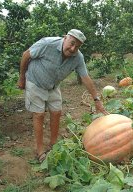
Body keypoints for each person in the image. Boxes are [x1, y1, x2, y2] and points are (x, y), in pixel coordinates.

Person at [17, 29, 109, 162]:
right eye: (71, 43)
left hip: (53, 85)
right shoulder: (47, 44)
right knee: (39, 115)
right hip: (35, 82)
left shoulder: (78, 57)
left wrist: (96, 99)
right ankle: (39, 150)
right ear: (65, 38)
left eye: (77, 46)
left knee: (56, 112)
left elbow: (85, 77)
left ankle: (54, 144)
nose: (72, 48)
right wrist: (21, 77)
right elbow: (26, 55)